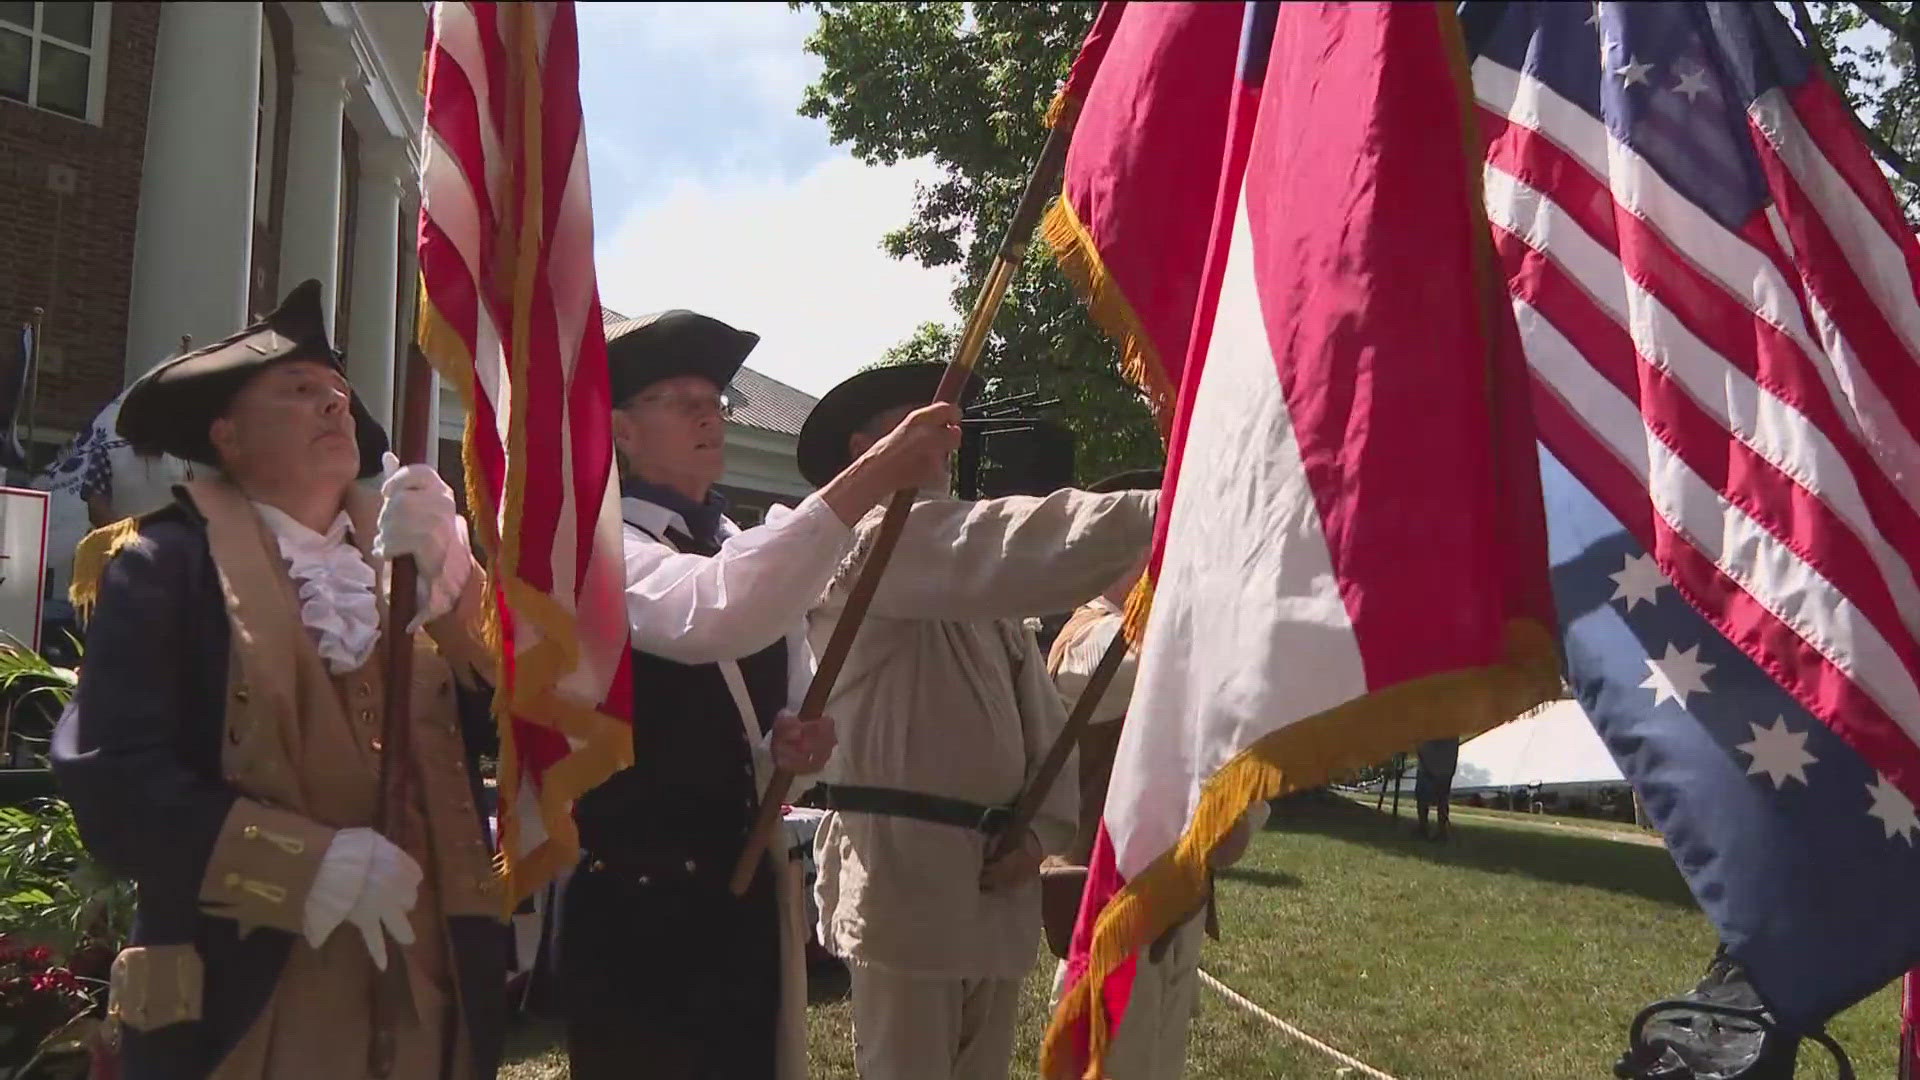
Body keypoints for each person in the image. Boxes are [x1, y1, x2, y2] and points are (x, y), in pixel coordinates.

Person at [51, 280, 504, 1079]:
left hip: (425, 986)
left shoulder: (413, 568)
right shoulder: (166, 566)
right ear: (227, 435)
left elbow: (505, 730)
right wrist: (304, 866)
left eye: (338, 391)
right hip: (246, 995)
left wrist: (460, 584)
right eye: (298, 391)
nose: (333, 402)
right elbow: (112, 776)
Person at [553, 311, 960, 1079]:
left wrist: (795, 747)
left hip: (737, 897)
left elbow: (787, 718)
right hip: (640, 911)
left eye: (716, 401)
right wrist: (872, 475)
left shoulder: (737, 545)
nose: (710, 415)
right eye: (680, 401)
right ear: (623, 432)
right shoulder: (597, 550)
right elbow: (713, 610)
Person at [797, 362, 1158, 1080]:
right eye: (916, 422)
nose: (944, 436)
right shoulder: (869, 542)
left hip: (995, 879)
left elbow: (1042, 721)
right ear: (861, 450)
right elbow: (1015, 541)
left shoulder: (972, 584)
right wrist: (1169, 507)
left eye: (944, 423)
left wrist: (1040, 835)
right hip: (903, 873)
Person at [1042, 468, 1269, 1080]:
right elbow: (1122, 666)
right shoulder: (1082, 636)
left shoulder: (1190, 645)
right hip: (1104, 900)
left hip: (1178, 896)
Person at [1414, 736, 1460, 840]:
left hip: (1436, 763)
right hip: (1442, 765)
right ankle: (1431, 829)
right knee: (1437, 799)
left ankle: (1435, 830)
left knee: (1430, 799)